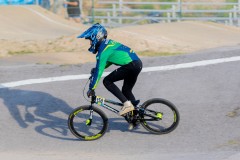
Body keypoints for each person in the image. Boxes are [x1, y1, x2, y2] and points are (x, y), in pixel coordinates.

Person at [77, 23, 142, 117]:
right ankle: (136, 114)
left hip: (131, 65)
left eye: (91, 40)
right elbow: (109, 61)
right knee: (126, 90)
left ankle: (128, 106)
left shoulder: (103, 51)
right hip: (137, 64)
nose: (90, 43)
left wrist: (92, 88)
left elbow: (99, 71)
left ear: (97, 37)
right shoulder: (109, 44)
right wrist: (96, 69)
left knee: (107, 81)